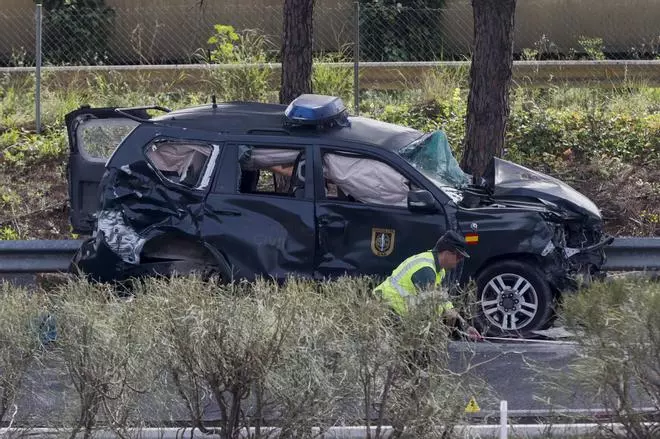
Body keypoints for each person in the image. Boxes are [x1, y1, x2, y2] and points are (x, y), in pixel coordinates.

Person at [373, 230, 483, 341]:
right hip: (384, 312)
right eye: (459, 256)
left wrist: (465, 326)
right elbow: (432, 308)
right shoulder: (426, 270)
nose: (460, 261)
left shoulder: (438, 270)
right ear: (447, 252)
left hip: (393, 314)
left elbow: (443, 302)